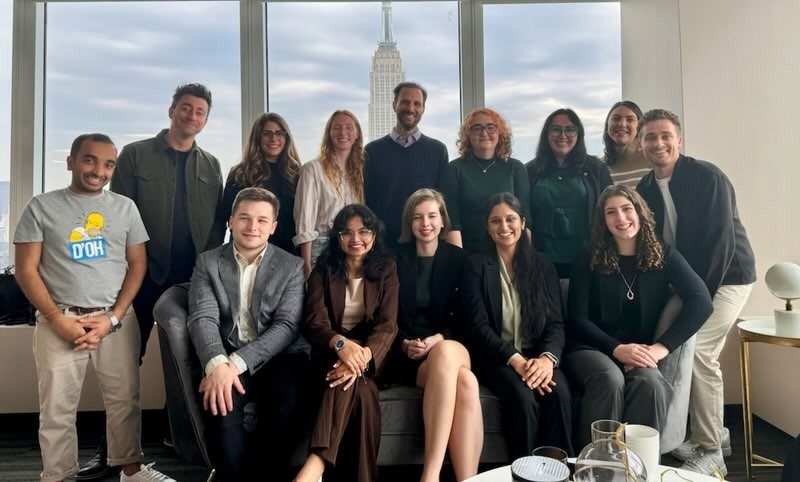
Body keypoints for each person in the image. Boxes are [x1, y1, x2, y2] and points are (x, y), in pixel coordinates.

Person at [13, 133, 174, 482]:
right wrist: (57, 319)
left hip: (115, 320)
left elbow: (137, 265)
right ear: (71, 161)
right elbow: (25, 270)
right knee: (56, 408)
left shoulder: (125, 208)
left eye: (107, 164)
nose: (98, 170)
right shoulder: (41, 206)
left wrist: (112, 317)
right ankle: (57, 475)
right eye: (89, 160)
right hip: (59, 319)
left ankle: (131, 469)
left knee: (125, 400)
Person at [636, 109, 756, 476]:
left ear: (679, 139)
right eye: (650, 137)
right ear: (641, 144)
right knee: (674, 346)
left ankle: (711, 451)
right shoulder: (644, 188)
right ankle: (714, 434)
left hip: (728, 277)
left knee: (700, 350)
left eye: (665, 136)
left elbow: (721, 244)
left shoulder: (708, 177)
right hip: (688, 282)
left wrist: (696, 300)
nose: (658, 143)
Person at [564, 185, 713, 449]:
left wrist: (660, 348)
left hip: (640, 352)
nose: (621, 218)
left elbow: (701, 301)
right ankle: (598, 460)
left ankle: (639, 464)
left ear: (640, 212)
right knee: (610, 379)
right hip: (590, 348)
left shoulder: (663, 255)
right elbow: (578, 319)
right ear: (603, 220)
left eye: (626, 209)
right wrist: (616, 349)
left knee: (652, 383)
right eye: (611, 212)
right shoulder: (587, 259)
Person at [187, 187, 311, 481]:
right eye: (244, 218)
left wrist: (234, 364)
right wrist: (218, 364)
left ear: (273, 226)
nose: (252, 226)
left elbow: (287, 326)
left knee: (286, 408)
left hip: (281, 357)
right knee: (221, 408)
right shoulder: (208, 262)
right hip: (226, 354)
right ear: (231, 221)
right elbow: (203, 317)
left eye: (261, 220)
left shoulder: (291, 266)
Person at [462, 192, 572, 459]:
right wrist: (516, 360)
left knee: (558, 394)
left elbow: (556, 323)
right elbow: (478, 326)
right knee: (523, 399)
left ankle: (561, 468)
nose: (504, 226)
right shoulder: (476, 265)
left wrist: (547, 359)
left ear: (522, 223)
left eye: (510, 219)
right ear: (488, 227)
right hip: (497, 358)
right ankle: (523, 471)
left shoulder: (542, 264)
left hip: (538, 354)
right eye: (495, 221)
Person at [294, 204, 398, 482]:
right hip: (332, 353)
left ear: (374, 234)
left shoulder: (387, 269)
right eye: (347, 233)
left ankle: (314, 467)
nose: (356, 239)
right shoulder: (323, 268)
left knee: (348, 381)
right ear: (337, 237)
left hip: (371, 355)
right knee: (361, 392)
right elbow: (314, 321)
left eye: (363, 231)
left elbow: (387, 325)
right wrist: (341, 344)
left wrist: (362, 356)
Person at [386, 188, 482, 482]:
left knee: (445, 351)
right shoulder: (394, 260)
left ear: (443, 221)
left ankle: (430, 475)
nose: (425, 223)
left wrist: (440, 338)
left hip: (453, 345)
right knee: (466, 382)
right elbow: (385, 315)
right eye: (417, 217)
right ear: (409, 222)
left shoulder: (461, 260)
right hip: (411, 356)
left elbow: (468, 317)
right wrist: (404, 342)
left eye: (431, 216)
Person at [526, 108, 613, 279]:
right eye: (556, 129)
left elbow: (609, 209)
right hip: (540, 259)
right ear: (546, 134)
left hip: (587, 258)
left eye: (570, 129)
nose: (563, 135)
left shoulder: (596, 168)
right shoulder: (530, 170)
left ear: (578, 134)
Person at [364, 82, 449, 248]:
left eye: (417, 104)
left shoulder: (438, 151)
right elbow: (366, 201)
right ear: (394, 105)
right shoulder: (371, 151)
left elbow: (442, 203)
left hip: (424, 243)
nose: (410, 108)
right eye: (405, 102)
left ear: (423, 109)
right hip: (383, 244)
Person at [441, 108, 530, 254]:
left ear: (500, 132)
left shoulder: (516, 168)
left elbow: (525, 219)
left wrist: (523, 258)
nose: (484, 132)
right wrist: (459, 260)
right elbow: (452, 223)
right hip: (467, 252)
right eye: (477, 128)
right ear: (468, 134)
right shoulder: (454, 169)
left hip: (508, 252)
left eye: (490, 127)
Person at [294, 110, 365, 278]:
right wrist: (306, 266)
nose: (343, 132)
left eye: (348, 127)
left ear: (357, 134)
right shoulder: (312, 169)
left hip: (353, 246)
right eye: (337, 127)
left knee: (350, 294)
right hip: (321, 248)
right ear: (329, 133)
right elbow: (304, 221)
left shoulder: (361, 171)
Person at [218, 112, 301, 254]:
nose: (273, 138)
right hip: (246, 253)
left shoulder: (297, 174)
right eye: (267, 133)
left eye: (279, 133)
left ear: (286, 138)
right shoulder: (239, 173)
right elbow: (225, 218)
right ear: (257, 137)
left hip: (287, 254)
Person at [602, 101, 650, 188]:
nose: (622, 124)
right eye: (616, 118)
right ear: (607, 125)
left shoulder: (652, 160)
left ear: (640, 126)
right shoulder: (599, 166)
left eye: (630, 119)